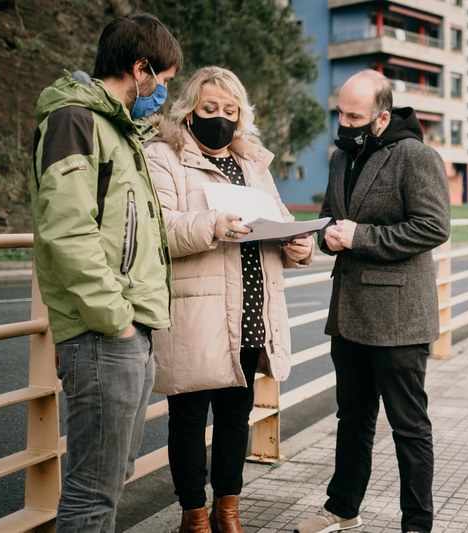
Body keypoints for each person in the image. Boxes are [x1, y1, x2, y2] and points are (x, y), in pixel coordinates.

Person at [144, 66, 314, 533]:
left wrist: (299, 246)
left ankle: (228, 511)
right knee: (189, 419)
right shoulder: (163, 156)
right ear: (189, 110)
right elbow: (159, 227)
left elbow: (281, 219)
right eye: (209, 108)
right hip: (197, 311)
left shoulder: (254, 164)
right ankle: (194, 517)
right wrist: (212, 225)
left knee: (236, 417)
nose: (220, 117)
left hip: (252, 310)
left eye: (230, 110)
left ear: (241, 116)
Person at [29, 12, 182, 532]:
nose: (161, 93)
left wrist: (131, 325)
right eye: (162, 82)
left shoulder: (119, 130)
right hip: (103, 335)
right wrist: (115, 319)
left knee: (111, 481)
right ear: (140, 69)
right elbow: (67, 232)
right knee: (92, 492)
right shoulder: (75, 121)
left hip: (127, 332)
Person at [294, 69, 450, 533]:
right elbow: (328, 218)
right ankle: (342, 509)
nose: (343, 122)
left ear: (381, 118)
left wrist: (359, 236)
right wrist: (322, 240)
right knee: (353, 419)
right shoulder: (341, 157)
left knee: (409, 428)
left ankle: (417, 525)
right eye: (340, 112)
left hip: (401, 320)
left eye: (354, 115)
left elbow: (433, 227)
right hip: (349, 315)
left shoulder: (416, 157)